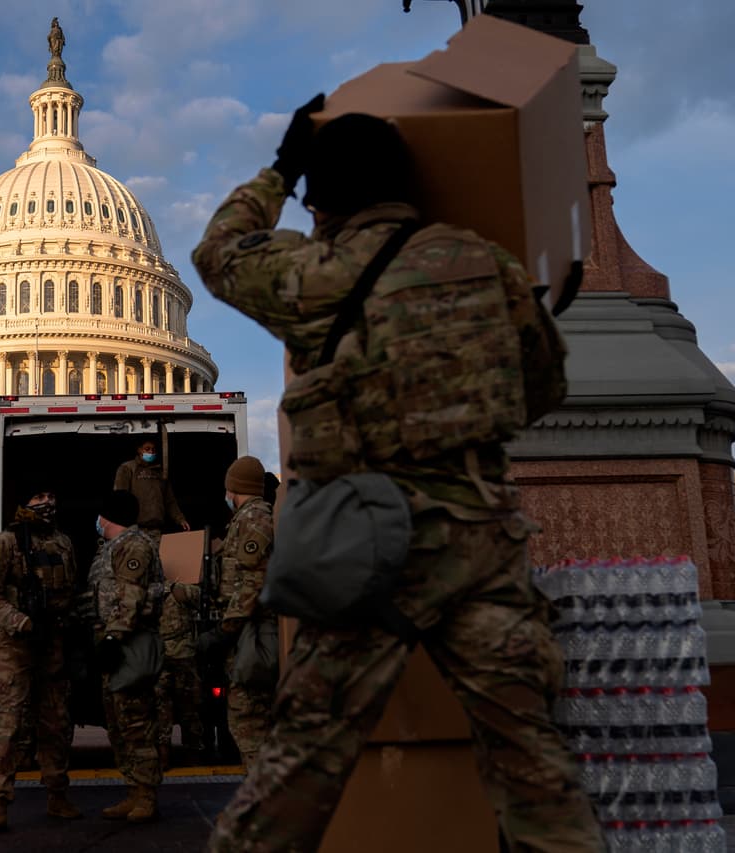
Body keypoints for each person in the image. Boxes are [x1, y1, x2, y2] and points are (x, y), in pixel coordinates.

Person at [192, 100, 601, 852]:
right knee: (533, 763)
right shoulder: (488, 264)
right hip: (478, 542)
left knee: (298, 766)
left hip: (360, 543)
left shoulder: (317, 273)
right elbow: (543, 385)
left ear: (319, 203)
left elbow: (219, 252)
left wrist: (279, 168)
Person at [0, 488, 80, 832]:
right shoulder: (4, 542)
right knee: (8, 726)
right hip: (15, 645)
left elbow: (70, 592)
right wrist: (19, 620)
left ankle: (57, 793)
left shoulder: (64, 543)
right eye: (39, 498)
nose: (47, 503)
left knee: (56, 723)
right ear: (25, 503)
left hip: (52, 641)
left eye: (51, 496)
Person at [88, 490, 165, 823]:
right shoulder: (113, 548)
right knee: (118, 726)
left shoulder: (133, 546)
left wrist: (111, 637)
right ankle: (133, 790)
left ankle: (146, 795)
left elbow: (130, 599)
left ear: (108, 517)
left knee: (136, 725)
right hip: (114, 643)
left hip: (128, 644)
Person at [198, 456, 275, 768]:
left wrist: (223, 631)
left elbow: (252, 584)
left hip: (252, 637)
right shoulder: (246, 520)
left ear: (234, 487)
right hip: (245, 635)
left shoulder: (253, 521)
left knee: (249, 723)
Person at [155, 578, 203, 768]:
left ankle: (186, 752)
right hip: (171, 655)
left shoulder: (176, 588)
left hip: (176, 655)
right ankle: (171, 754)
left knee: (184, 707)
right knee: (171, 707)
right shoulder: (159, 589)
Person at [113, 438, 189, 537]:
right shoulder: (127, 468)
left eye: (153, 449)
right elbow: (119, 498)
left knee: (155, 551)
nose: (151, 452)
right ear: (139, 449)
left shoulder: (160, 472)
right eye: (147, 449)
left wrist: (180, 519)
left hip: (156, 529)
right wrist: (120, 524)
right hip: (134, 529)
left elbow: (170, 501)